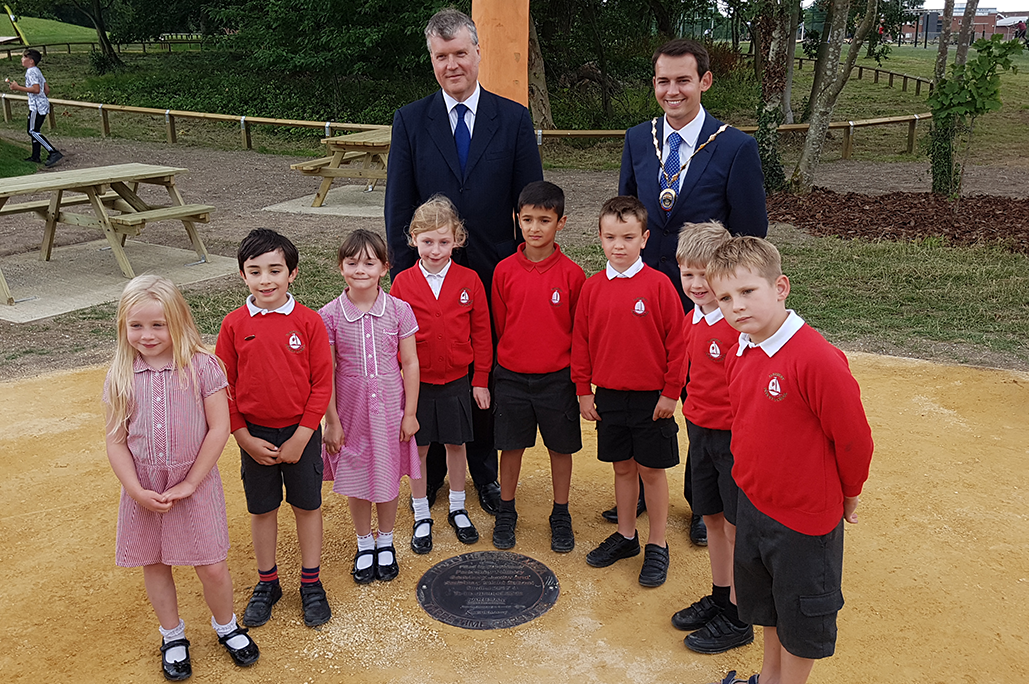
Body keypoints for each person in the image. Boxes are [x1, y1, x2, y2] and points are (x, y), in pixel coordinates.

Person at [384, 8, 544, 516]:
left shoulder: (514, 118)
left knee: (482, 367)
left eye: (460, 53)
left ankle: (483, 471)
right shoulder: (411, 120)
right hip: (426, 270)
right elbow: (397, 203)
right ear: (432, 60)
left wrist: (526, 262)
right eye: (440, 56)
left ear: (478, 53)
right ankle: (429, 474)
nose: (452, 64)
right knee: (430, 367)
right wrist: (403, 270)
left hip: (495, 269)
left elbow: (528, 202)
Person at [613, 37, 769, 546]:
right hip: (648, 296)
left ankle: (706, 501)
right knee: (645, 391)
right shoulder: (639, 139)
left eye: (683, 79)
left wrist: (729, 298)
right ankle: (638, 485)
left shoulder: (735, 146)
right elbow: (628, 216)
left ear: (704, 80)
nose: (672, 90)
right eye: (663, 81)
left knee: (706, 400)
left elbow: (750, 233)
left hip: (706, 297)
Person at [705, 236, 874, 684]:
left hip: (804, 521)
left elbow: (854, 439)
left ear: (780, 287)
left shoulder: (816, 358)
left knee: (800, 622)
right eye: (725, 297)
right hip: (756, 505)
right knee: (769, 607)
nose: (736, 306)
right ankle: (767, 678)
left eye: (747, 292)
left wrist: (850, 494)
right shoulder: (743, 349)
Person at [103, 275, 258, 681]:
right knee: (155, 563)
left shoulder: (203, 366)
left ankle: (226, 625)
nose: (147, 334)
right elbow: (116, 441)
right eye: (136, 325)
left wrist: (190, 482)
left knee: (211, 566)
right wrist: (135, 490)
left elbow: (218, 429)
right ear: (123, 325)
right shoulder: (121, 374)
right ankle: (172, 635)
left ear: (179, 320)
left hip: (195, 485)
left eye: (158, 324)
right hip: (143, 488)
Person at [215, 229, 333, 630]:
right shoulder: (233, 326)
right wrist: (242, 436)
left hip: (301, 433)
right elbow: (223, 387)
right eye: (255, 271)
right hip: (255, 436)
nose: (266, 279)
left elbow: (322, 383)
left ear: (292, 273)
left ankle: (311, 582)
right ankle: (268, 583)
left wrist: (303, 434)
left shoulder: (310, 322)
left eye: (274, 270)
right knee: (262, 510)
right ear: (243, 276)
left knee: (307, 506)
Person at [573, 196, 685, 588]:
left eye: (628, 237)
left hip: (652, 398)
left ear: (645, 238)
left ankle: (657, 543)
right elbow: (581, 341)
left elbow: (678, 343)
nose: (618, 245)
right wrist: (583, 390)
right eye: (610, 237)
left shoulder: (660, 285)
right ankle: (626, 535)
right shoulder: (591, 288)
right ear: (600, 238)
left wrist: (671, 392)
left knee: (652, 471)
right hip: (609, 396)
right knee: (622, 467)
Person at [389, 196, 492, 550]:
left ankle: (458, 507)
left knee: (456, 444)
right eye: (427, 241)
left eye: (444, 241)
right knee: (418, 448)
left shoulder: (470, 280)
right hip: (417, 385)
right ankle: (421, 513)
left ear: (457, 240)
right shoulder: (402, 283)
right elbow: (394, 338)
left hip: (456, 382)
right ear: (414, 238)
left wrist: (480, 380)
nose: (435, 249)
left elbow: (482, 334)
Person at [669, 222, 753, 655]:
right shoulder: (692, 320)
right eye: (688, 274)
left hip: (734, 441)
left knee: (738, 529)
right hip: (699, 432)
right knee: (713, 519)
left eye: (706, 275)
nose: (697, 284)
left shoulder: (739, 327)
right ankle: (722, 597)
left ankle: (740, 616)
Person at [489, 181, 586, 553]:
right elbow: (501, 325)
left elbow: (578, 333)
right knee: (511, 447)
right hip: (511, 376)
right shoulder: (503, 272)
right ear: (517, 219)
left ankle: (560, 512)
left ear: (560, 223)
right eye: (527, 219)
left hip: (557, 379)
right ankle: (507, 510)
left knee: (561, 448)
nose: (534, 228)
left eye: (544, 220)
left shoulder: (574, 275)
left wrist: (578, 383)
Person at [321, 230, 421, 584]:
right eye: (352, 263)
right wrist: (331, 421)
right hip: (350, 410)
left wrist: (409, 414)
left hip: (391, 408)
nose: (360, 270)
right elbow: (326, 371)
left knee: (388, 473)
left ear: (384, 267)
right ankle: (364, 543)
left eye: (369, 263)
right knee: (358, 474)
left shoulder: (399, 310)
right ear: (341, 267)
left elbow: (409, 363)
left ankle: (386, 541)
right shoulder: (329, 315)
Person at [7, 49, 62, 167]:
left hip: (36, 106)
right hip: (43, 104)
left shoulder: (30, 72)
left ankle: (53, 151)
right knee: (36, 130)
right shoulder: (37, 71)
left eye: (23, 57)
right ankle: (35, 156)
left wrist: (18, 87)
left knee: (32, 131)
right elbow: (46, 89)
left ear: (30, 61)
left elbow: (36, 89)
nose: (21, 59)